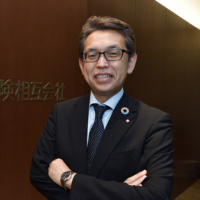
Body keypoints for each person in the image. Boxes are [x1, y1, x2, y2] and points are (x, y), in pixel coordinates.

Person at [30, 16, 174, 200]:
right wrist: (121, 193)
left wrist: (69, 179)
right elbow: (39, 175)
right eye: (92, 55)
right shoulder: (62, 112)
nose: (101, 64)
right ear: (82, 66)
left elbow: (156, 195)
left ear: (131, 62)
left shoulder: (154, 123)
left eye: (113, 54)